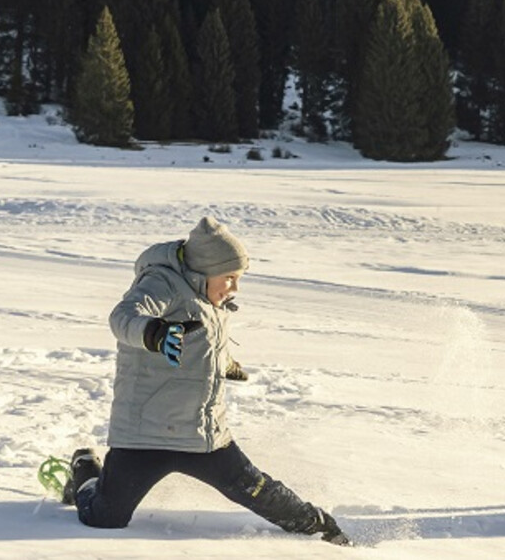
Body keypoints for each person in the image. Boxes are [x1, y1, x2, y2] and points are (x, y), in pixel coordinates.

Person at [62, 216, 351, 545]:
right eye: (229, 278)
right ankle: (85, 469)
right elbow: (123, 316)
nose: (235, 288)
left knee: (258, 491)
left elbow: (204, 340)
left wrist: (223, 363)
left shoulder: (212, 300)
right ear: (204, 270)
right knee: (104, 518)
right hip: (143, 437)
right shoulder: (162, 283)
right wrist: (154, 333)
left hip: (204, 438)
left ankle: (320, 526)